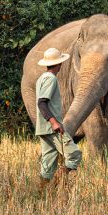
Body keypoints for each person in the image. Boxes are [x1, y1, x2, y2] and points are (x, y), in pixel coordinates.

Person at [35, 47, 82, 186]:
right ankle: (56, 184)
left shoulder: (41, 79)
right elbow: (42, 103)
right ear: (58, 63)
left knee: (47, 165)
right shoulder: (51, 79)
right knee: (74, 154)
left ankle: (41, 193)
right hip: (51, 128)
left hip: (43, 128)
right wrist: (54, 122)